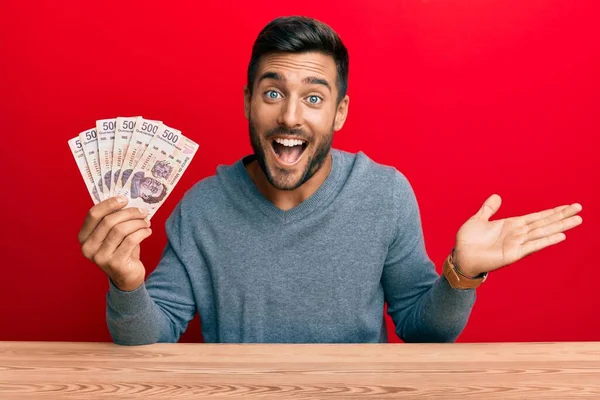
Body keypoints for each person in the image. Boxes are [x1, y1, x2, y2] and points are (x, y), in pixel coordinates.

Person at [77, 16, 583, 345]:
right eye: (272, 94)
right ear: (248, 103)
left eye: (314, 98)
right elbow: (152, 334)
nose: (290, 117)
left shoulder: (384, 194)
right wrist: (126, 284)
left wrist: (462, 274)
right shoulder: (203, 206)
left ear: (340, 112)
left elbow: (423, 329)